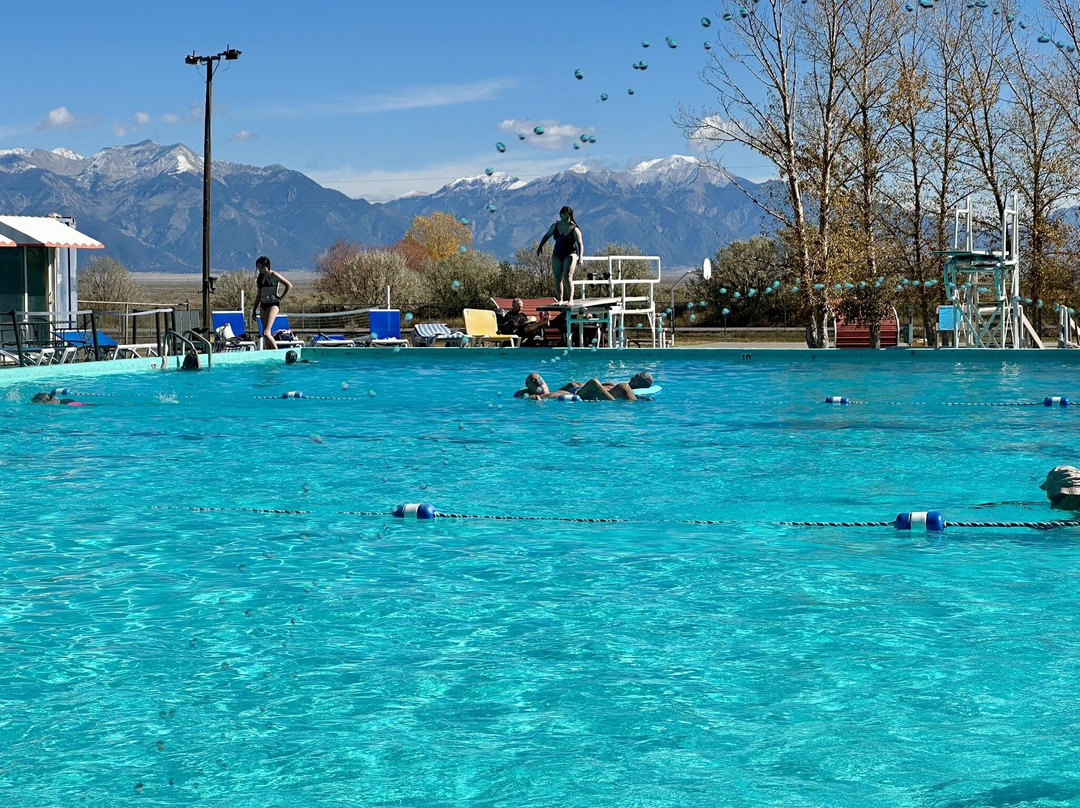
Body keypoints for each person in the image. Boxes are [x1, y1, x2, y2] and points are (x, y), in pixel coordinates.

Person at [536, 206, 583, 304]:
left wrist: (580, 257)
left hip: (570, 254)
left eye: (564, 215)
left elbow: (580, 243)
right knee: (557, 277)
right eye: (561, 215)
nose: (562, 217)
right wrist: (540, 246)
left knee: (567, 276)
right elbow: (547, 236)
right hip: (557, 254)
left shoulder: (574, 229)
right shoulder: (555, 226)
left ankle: (570, 300)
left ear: (569, 215)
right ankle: (560, 299)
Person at [514, 371, 654, 401]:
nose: (631, 378)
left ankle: (541, 395)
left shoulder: (624, 388)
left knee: (580, 383)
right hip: (579, 393)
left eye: (634, 379)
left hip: (580, 392)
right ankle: (544, 393)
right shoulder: (612, 385)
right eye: (534, 382)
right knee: (577, 383)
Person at [251, 255, 293, 350]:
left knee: (266, 332)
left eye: (262, 267)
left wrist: (281, 297)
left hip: (273, 304)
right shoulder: (260, 277)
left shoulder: (273, 275)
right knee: (265, 334)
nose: (260, 270)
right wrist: (254, 309)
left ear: (267, 265)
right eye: (258, 268)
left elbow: (288, 285)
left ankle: (276, 351)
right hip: (263, 304)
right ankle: (269, 353)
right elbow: (258, 295)